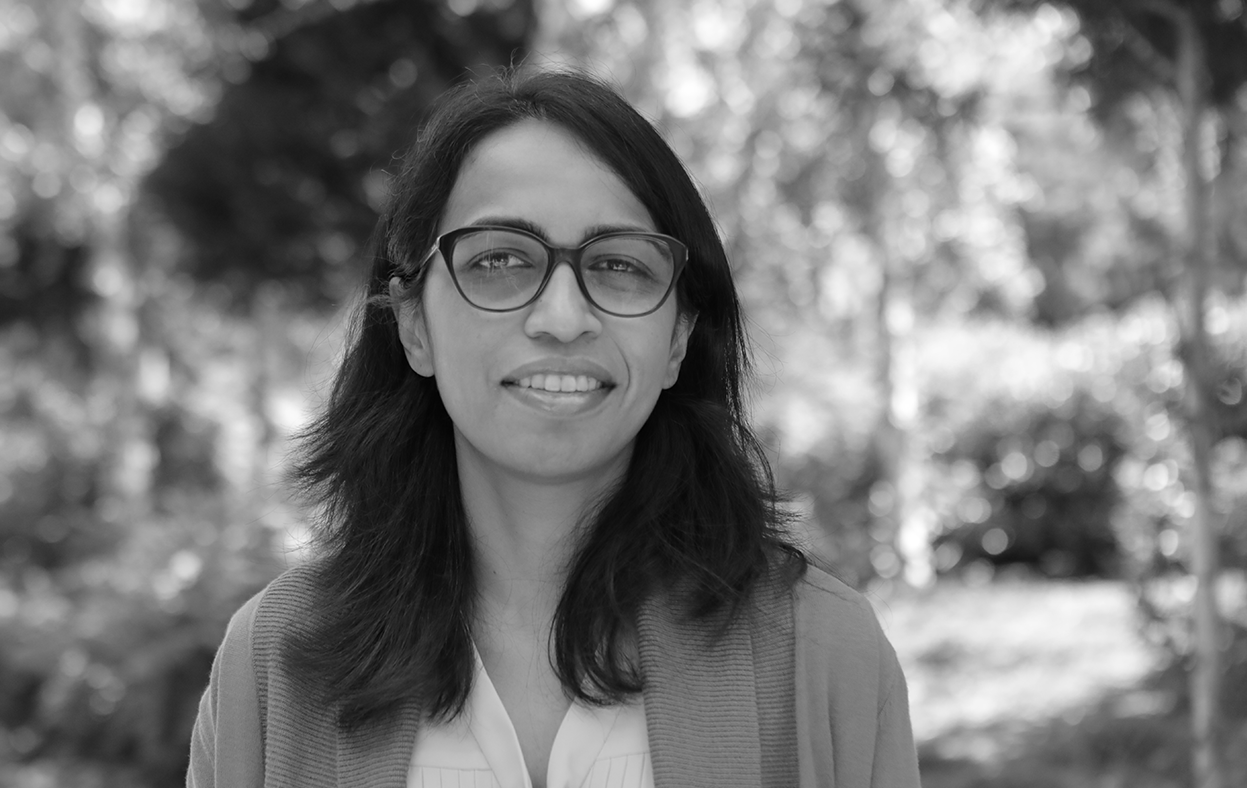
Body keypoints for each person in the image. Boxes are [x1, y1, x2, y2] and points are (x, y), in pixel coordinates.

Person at [187, 68, 920, 788]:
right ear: (414, 327)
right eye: (500, 259)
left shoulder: (825, 655)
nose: (564, 318)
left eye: (619, 265)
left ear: (677, 339)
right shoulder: (271, 664)